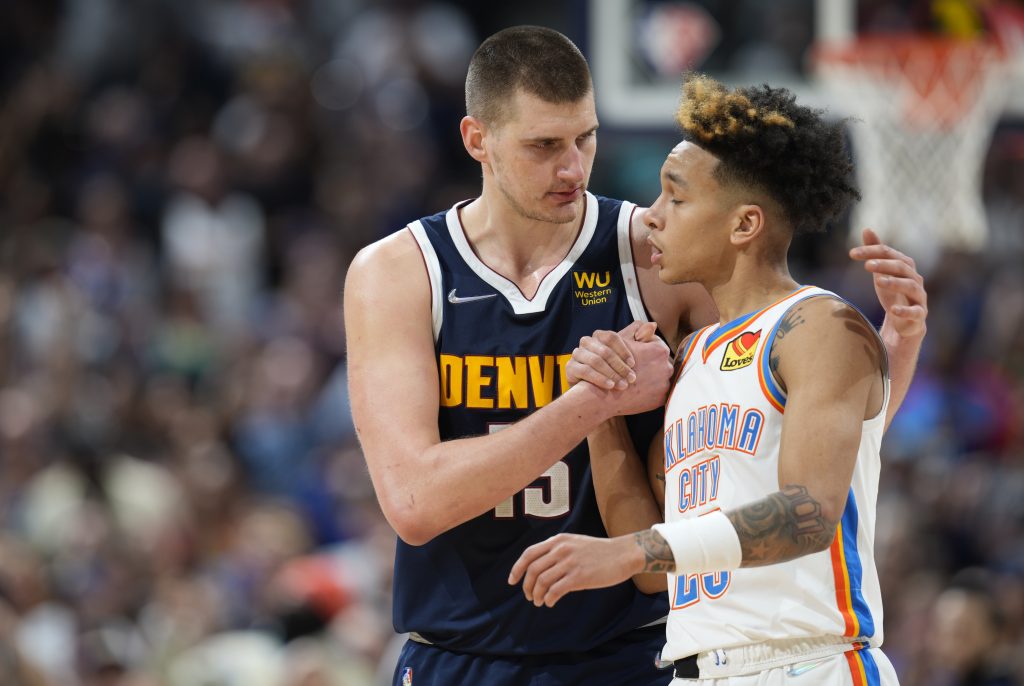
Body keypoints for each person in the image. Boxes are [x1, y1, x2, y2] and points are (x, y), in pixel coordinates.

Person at [345, 26, 927, 686]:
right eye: (544, 146)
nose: (573, 168)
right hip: (464, 649)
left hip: (648, 651)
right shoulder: (398, 272)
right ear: (478, 139)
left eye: (585, 138)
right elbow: (415, 504)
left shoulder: (663, 259)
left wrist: (892, 349)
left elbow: (814, 442)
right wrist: (594, 407)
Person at [509, 74, 928, 685]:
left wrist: (626, 552)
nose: (651, 217)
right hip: (697, 668)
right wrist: (599, 409)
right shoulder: (692, 357)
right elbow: (653, 571)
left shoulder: (820, 324)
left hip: (808, 662)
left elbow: (808, 515)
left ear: (744, 224)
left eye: (675, 199)